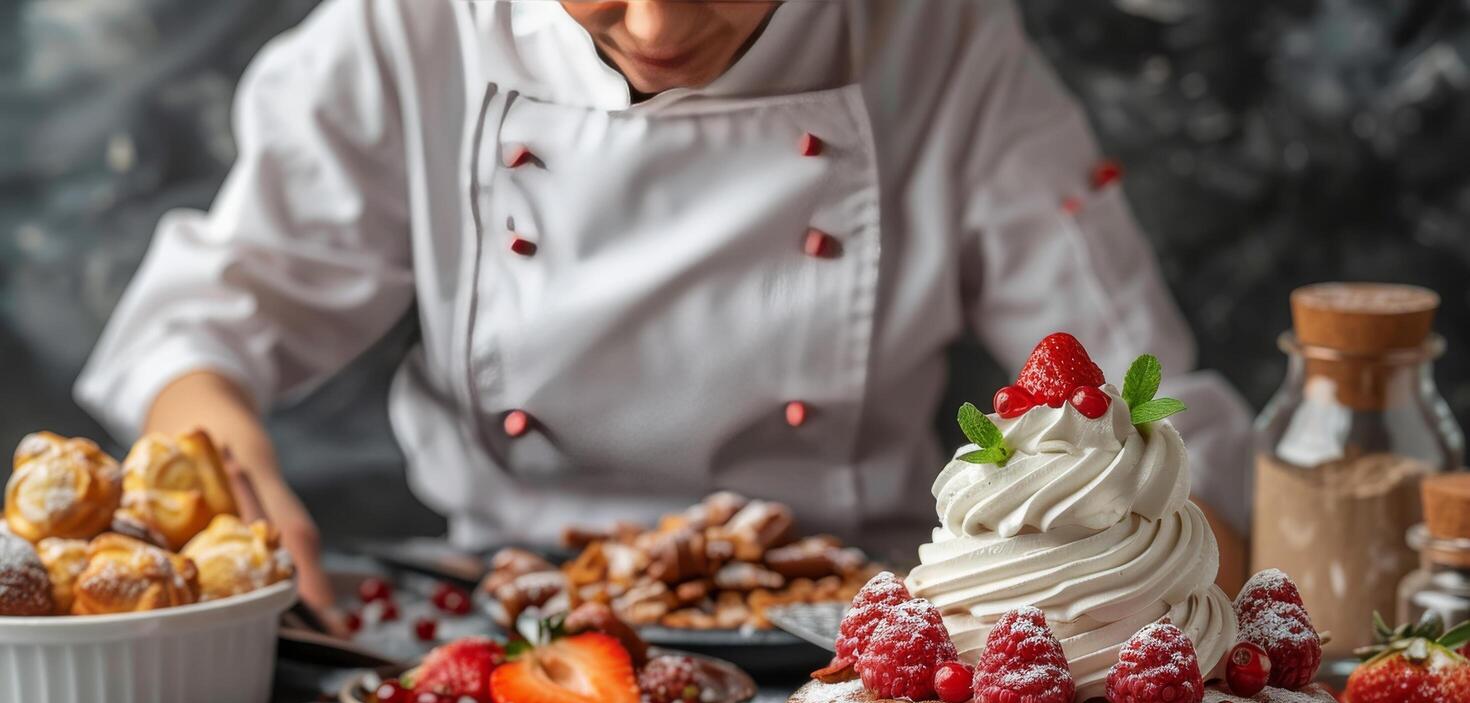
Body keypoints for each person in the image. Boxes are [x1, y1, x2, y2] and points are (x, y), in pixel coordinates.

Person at [76, 0, 1251, 619]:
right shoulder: (408, 25)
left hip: (853, 645)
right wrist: (206, 437)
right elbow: (214, 311)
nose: (654, 27)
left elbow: (1137, 393)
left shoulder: (941, 39)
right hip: (503, 615)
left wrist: (1195, 557)